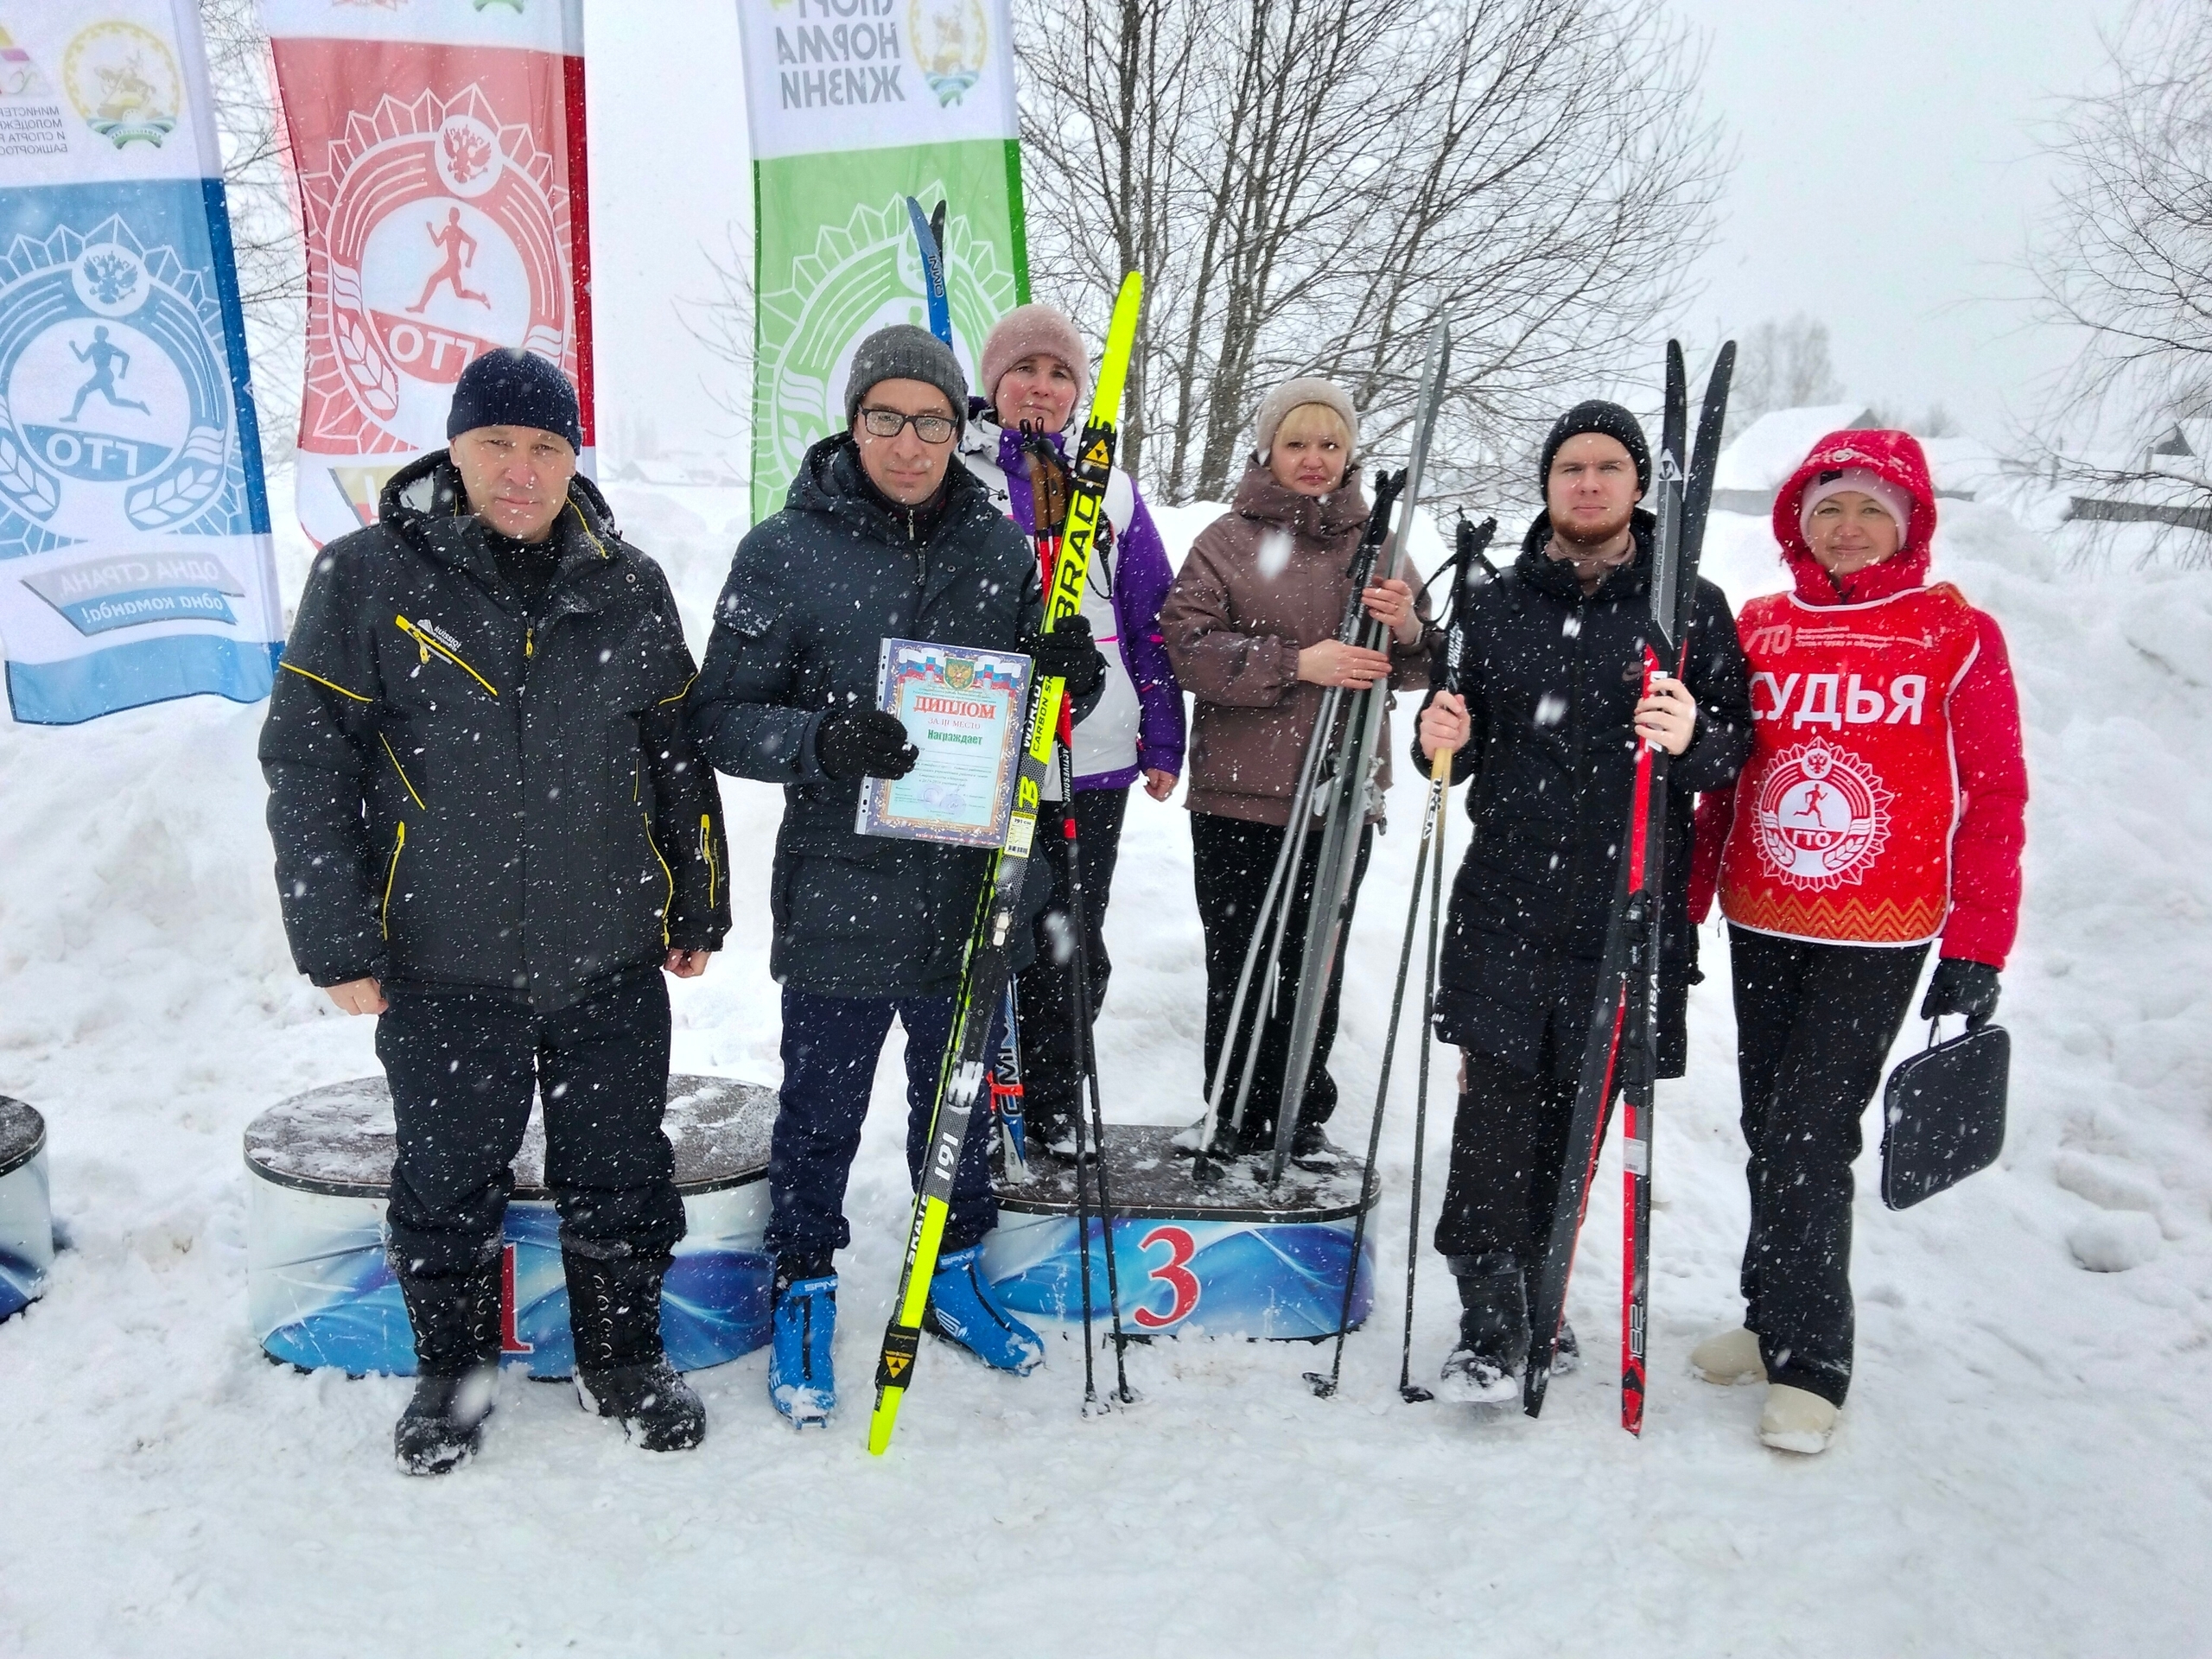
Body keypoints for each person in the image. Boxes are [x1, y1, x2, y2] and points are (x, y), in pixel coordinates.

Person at [260, 348, 730, 1474]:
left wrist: (697, 899)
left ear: (573, 458)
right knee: (446, 1177)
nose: (522, 471)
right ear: (456, 451)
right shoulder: (368, 577)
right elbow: (308, 765)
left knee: (622, 1169)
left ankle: (622, 1359)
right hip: (441, 955)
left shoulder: (627, 583)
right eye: (498, 445)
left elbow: (675, 757)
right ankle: (453, 1377)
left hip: (606, 947)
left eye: (546, 447)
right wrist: (336, 939)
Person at [685, 324, 1108, 1425]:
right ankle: (805, 1278)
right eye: (887, 418)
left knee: (956, 1096)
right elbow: (718, 716)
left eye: (931, 422)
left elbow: (1042, 700)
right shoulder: (784, 551)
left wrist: (1075, 675)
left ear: (958, 429)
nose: (909, 444)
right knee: (821, 1104)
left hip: (969, 885)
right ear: (853, 421)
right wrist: (821, 740)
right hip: (840, 881)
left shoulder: (999, 549)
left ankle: (953, 1262)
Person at [1683, 429, 2026, 1454]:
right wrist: (1683, 909)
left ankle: (1813, 1360)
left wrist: (1977, 946)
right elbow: (1720, 781)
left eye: (1871, 508)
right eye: (1827, 507)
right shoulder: (1760, 627)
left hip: (1880, 929)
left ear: (1909, 523)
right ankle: (1769, 1316)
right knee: (1768, 1125)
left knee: (1809, 1135)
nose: (1847, 527)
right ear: (1797, 521)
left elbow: (1995, 797)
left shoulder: (1955, 633)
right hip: (1763, 914)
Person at [1413, 399, 1752, 1404]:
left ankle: (1542, 1291)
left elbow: (1730, 751)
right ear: (1548, 485)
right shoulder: (1493, 604)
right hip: (1507, 903)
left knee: (1579, 1119)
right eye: (1571, 468)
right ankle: (1489, 1318)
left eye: (1609, 467)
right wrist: (1437, 737)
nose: (1589, 483)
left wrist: (1691, 735)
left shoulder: (1689, 607)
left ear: (1639, 487)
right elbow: (1452, 748)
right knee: (1494, 1121)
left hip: (1626, 910)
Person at [1159, 377, 1434, 1167]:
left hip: (1340, 796)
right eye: (1296, 443)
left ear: (1349, 453)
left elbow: (1423, 662)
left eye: (1330, 444)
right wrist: (1295, 663)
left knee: (1317, 963)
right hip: (1237, 798)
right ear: (1268, 450)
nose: (1314, 459)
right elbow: (1186, 647)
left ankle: (1299, 1115)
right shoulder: (1226, 541)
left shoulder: (1379, 543)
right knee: (1239, 958)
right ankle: (1231, 1109)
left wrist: (1408, 628)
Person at [957, 303, 1185, 1158]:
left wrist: (1162, 735)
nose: (1041, 387)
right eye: (1024, 369)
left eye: (1060, 374)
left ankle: (1054, 1105)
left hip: (1091, 754)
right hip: (987, 752)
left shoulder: (1108, 488)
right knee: (990, 937)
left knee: (1071, 946)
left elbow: (1150, 616)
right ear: (994, 382)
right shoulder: (957, 474)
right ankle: (983, 1101)